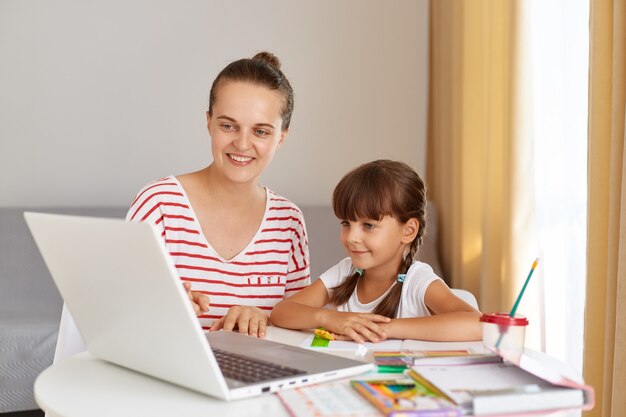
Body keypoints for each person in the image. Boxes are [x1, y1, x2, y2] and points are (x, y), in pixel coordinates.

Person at [127, 52, 310, 338]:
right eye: (228, 125)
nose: (242, 143)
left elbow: (299, 328)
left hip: (256, 378)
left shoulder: (289, 222)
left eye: (261, 131)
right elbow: (119, 313)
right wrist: (164, 309)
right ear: (208, 122)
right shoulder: (158, 204)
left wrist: (263, 317)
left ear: (282, 136)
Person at [270, 160, 482, 342]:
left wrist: (385, 328)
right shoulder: (345, 272)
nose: (351, 237)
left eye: (368, 226)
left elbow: (477, 323)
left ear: (408, 231)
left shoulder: (416, 280)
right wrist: (328, 318)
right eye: (346, 223)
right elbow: (281, 312)